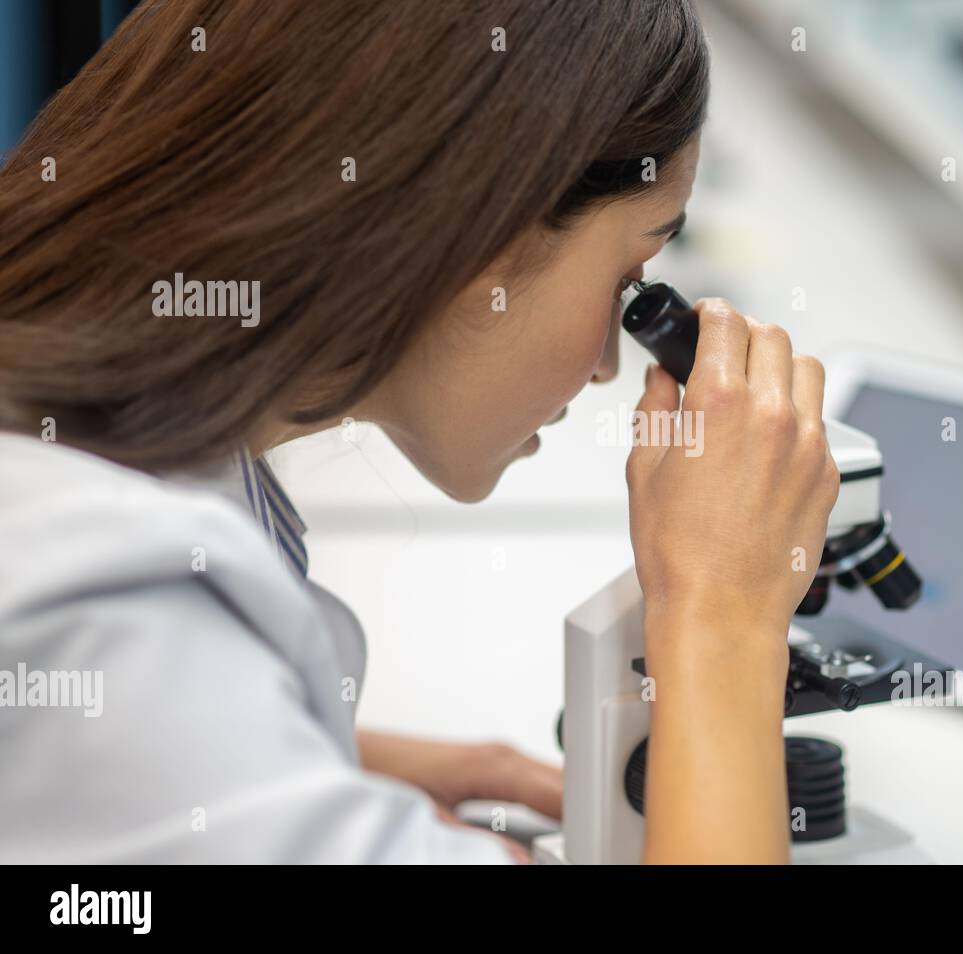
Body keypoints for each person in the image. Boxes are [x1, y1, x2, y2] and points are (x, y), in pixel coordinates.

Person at [0, 0, 837, 863]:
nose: (606, 372)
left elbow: (123, 779)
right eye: (627, 275)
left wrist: (303, 761)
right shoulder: (108, 610)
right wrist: (723, 616)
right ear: (474, 231)